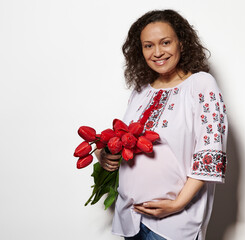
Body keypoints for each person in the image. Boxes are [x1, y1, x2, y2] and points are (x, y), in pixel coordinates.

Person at [95, 10, 228, 240]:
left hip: (174, 223)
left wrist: (177, 204)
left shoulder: (200, 84)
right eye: (148, 45)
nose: (157, 52)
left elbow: (210, 151)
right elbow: (124, 141)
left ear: (182, 43)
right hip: (131, 217)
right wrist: (103, 153)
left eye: (165, 42)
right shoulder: (141, 91)